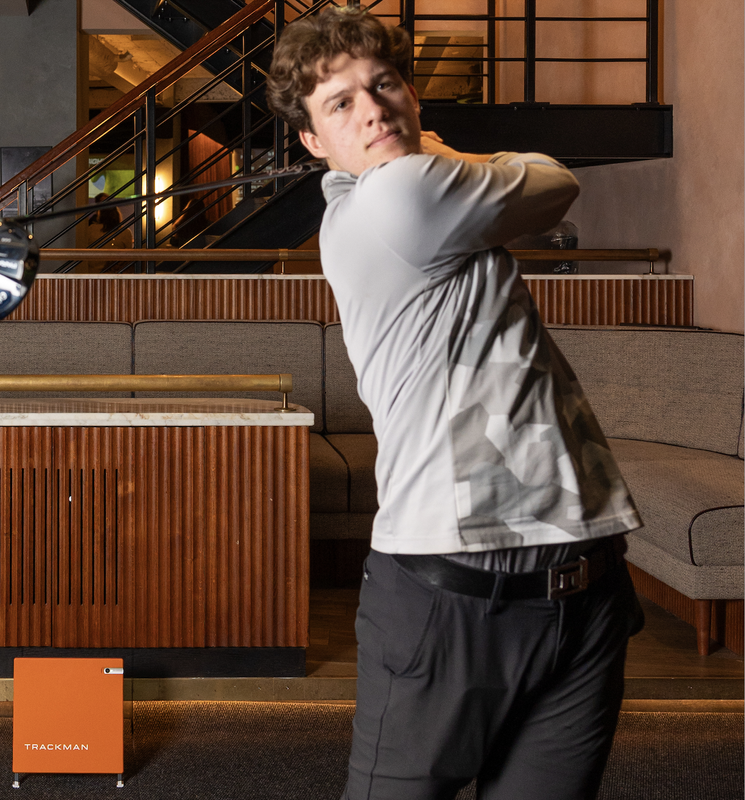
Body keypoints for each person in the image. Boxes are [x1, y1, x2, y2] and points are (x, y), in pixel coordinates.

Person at [266, 8, 643, 799]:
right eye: (340, 104)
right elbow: (556, 180)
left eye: (384, 83)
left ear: (412, 93)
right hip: (454, 596)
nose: (371, 108)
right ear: (311, 143)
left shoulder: (431, 196)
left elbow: (550, 189)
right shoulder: (394, 196)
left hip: (586, 580)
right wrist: (435, 151)